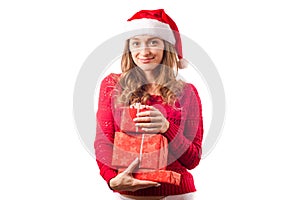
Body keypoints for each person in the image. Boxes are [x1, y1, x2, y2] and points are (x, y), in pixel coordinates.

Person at [94, 9, 204, 200]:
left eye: (153, 42)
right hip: (129, 196)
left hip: (177, 195)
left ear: (166, 47)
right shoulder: (112, 86)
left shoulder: (187, 93)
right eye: (136, 43)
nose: (144, 52)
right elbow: (103, 142)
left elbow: (193, 159)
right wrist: (113, 180)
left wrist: (167, 128)